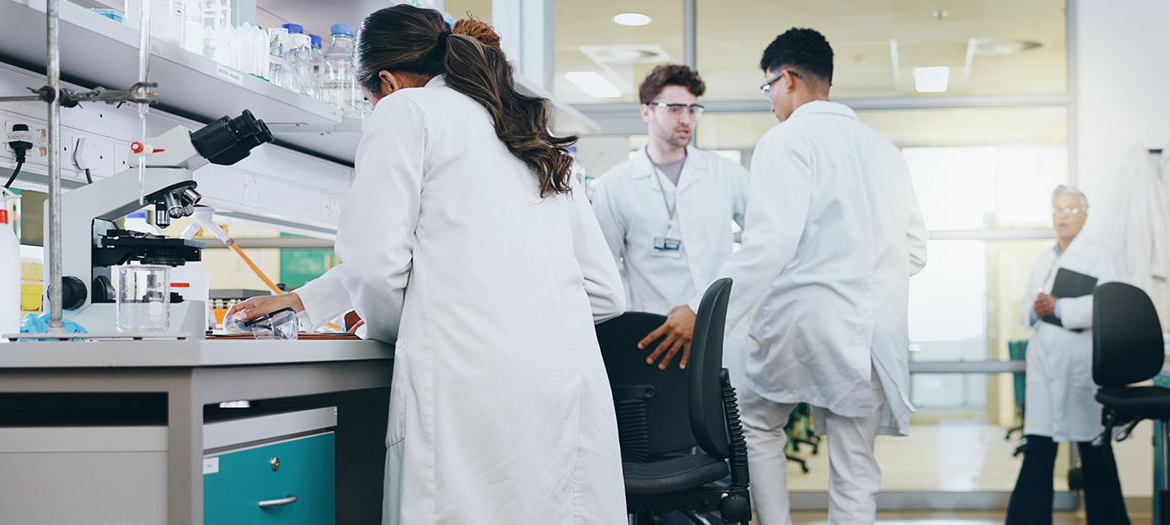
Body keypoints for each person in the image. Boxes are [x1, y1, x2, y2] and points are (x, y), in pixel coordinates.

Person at [341, 6, 626, 523]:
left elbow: (373, 268)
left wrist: (400, 329)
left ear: (386, 80)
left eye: (369, 100)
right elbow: (607, 293)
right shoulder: (521, 129)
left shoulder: (405, 111)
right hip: (564, 382)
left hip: (469, 391)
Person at [638, 28, 928, 525]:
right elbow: (916, 252)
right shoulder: (885, 150)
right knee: (856, 466)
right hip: (875, 333)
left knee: (754, 422)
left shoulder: (787, 140)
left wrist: (703, 314)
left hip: (806, 322)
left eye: (768, 87)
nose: (769, 100)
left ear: (787, 79)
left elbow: (769, 244)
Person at [592, 64, 750, 371]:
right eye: (675, 109)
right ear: (646, 112)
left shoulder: (725, 173)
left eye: (693, 110)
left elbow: (764, 242)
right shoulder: (616, 184)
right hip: (652, 335)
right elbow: (607, 269)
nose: (686, 119)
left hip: (720, 333)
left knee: (724, 416)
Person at [1005, 186, 1130, 525]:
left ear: (1085, 216)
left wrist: (1061, 306)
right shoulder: (1044, 258)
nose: (1062, 215)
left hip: (1079, 364)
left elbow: (1108, 306)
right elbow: (1024, 309)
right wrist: (1037, 307)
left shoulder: (1097, 256)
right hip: (1044, 362)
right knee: (1039, 448)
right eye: (1057, 209)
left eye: (1071, 209)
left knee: (1094, 450)